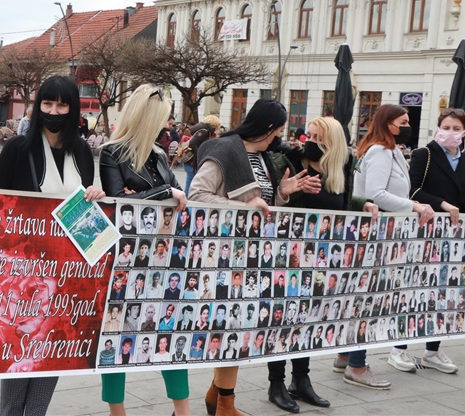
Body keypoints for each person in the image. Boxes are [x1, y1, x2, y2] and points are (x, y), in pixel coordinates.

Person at [0, 75, 104, 415]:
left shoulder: (82, 151)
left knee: (52, 350)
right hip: (23, 275)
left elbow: (85, 211)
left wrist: (94, 197)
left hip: (68, 273)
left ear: (73, 109)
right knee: (19, 352)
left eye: (62, 104)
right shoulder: (18, 148)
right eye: (47, 103)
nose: (54, 111)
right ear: (38, 106)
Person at [189, 99, 311, 416]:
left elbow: (264, 207)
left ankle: (218, 396)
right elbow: (197, 195)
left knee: (240, 329)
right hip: (225, 257)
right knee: (231, 329)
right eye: (278, 131)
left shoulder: (263, 155)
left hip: (255, 257)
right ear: (268, 127)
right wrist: (242, 209)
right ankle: (225, 405)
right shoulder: (226, 149)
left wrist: (282, 191)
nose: (279, 137)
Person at [98, 83, 189, 416]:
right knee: (116, 332)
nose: (168, 127)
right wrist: (163, 192)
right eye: (163, 119)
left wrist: (152, 195)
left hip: (163, 256)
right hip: (127, 259)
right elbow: (118, 205)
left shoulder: (161, 155)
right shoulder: (112, 152)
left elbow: (179, 200)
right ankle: (117, 411)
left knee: (169, 329)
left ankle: (182, 409)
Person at [348, 105, 438, 380]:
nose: (408, 125)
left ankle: (346, 357)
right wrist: (414, 206)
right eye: (403, 121)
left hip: (382, 234)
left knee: (366, 296)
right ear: (388, 123)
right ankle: (357, 364)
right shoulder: (380, 151)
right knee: (369, 298)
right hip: (376, 235)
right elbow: (376, 194)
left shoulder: (390, 150)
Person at [392, 108, 465, 375]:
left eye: (457, 128)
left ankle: (432, 350)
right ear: (438, 127)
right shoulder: (425, 154)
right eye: (447, 126)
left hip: (454, 237)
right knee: (413, 289)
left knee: (444, 292)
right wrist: (441, 204)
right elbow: (411, 190)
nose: (451, 132)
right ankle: (398, 349)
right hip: (424, 230)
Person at [183, 115, 221, 193]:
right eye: (217, 126)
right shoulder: (205, 131)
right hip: (192, 162)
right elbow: (193, 143)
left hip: (190, 162)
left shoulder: (203, 130)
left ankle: (187, 203)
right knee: (190, 186)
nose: (217, 128)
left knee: (190, 185)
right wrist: (200, 154)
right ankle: (187, 204)